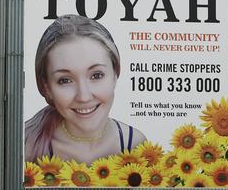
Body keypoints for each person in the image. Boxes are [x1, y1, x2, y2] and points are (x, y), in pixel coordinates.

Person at [24, 14, 146, 165]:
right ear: (46, 87)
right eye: (65, 80)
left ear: (115, 74)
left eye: (96, 75)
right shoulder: (25, 148)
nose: (84, 96)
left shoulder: (135, 144)